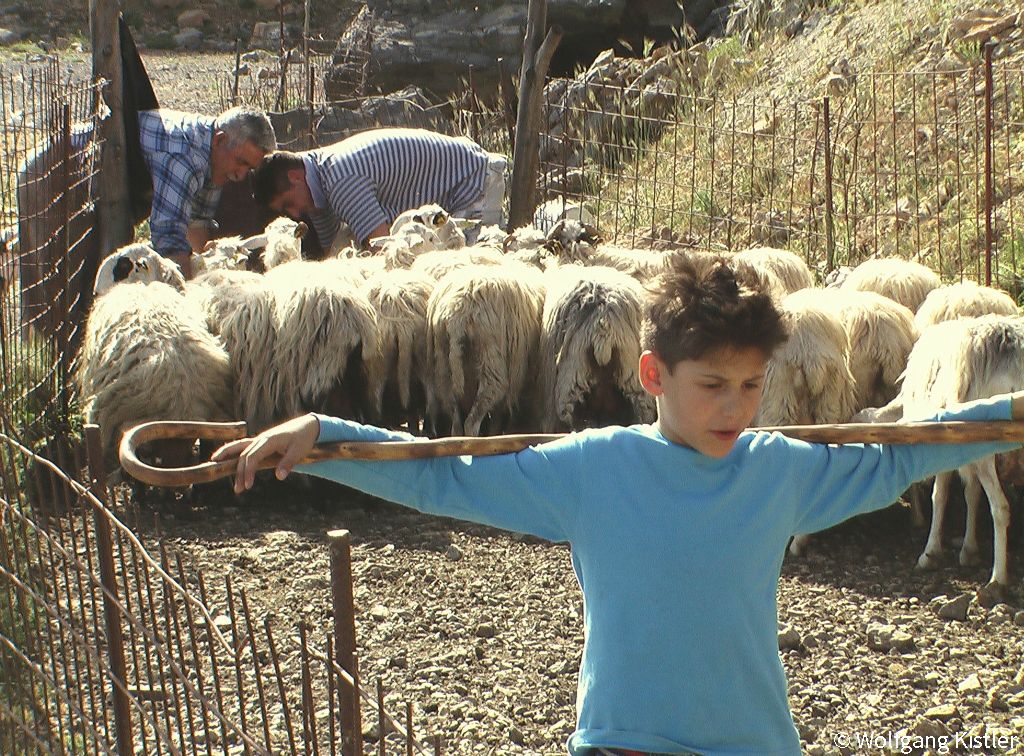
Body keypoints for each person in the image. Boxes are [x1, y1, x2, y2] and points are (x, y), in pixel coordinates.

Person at [211, 256, 1024, 755]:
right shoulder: (593, 469)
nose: (735, 408)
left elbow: (908, 450)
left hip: (752, 745)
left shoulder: (782, 471)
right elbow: (442, 474)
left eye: (750, 386)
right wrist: (325, 433)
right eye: (712, 386)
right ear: (652, 377)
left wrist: (1008, 416)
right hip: (621, 744)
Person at [249, 127, 507, 251]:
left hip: (472, 183)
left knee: (471, 272)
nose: (295, 213)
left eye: (288, 204)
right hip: (453, 184)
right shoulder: (315, 182)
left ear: (294, 177)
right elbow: (331, 254)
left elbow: (383, 247)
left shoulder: (340, 180)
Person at [140, 106, 277, 278]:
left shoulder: (218, 155)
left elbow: (197, 222)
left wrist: (204, 277)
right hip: (108, 175)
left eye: (249, 168)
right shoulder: (186, 160)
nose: (241, 175)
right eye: (241, 162)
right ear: (219, 141)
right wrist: (188, 296)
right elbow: (169, 240)